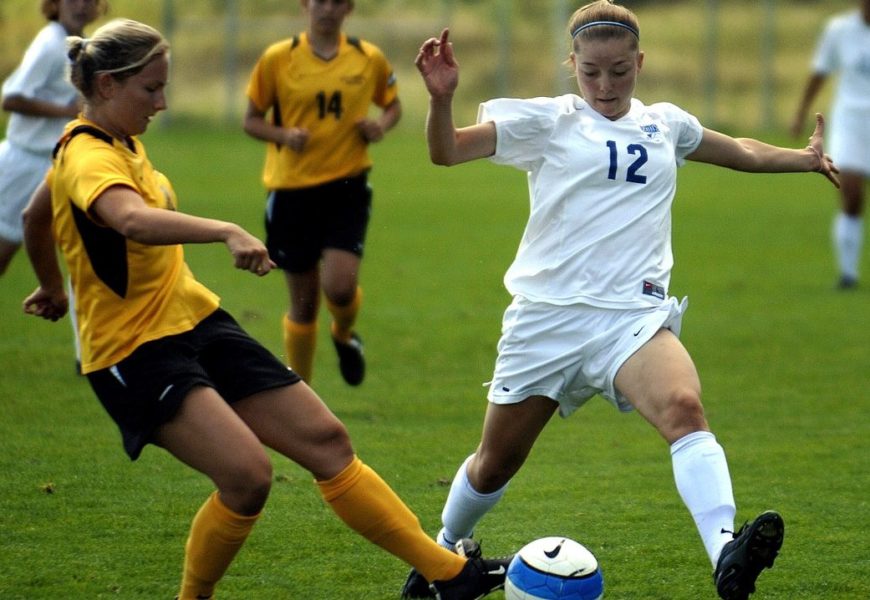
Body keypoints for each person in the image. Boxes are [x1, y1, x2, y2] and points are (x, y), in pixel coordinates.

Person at [21, 18, 509, 600]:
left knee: (327, 441)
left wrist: (52, 285)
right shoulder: (86, 154)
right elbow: (129, 220)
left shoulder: (117, 142)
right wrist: (224, 229)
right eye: (150, 89)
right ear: (106, 85)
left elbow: (35, 214)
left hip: (195, 319)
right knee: (247, 478)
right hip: (133, 349)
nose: (163, 101)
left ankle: (448, 576)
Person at [406, 2, 840, 599]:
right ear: (572, 66)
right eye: (591, 72)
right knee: (495, 462)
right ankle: (437, 558)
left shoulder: (666, 124)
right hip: (547, 319)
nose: (605, 85)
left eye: (619, 70)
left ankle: (725, 553)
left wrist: (806, 159)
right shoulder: (548, 120)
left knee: (684, 407)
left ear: (640, 62)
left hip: (631, 319)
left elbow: (738, 150)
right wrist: (440, 98)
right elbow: (446, 150)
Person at [242, 0, 402, 386]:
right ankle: (302, 395)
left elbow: (393, 106)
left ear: (348, 8)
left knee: (341, 286)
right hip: (291, 191)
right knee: (304, 303)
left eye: (336, 2)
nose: (327, 9)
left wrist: (380, 125)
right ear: (305, 6)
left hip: (346, 186)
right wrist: (283, 135)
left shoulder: (367, 57)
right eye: (320, 1)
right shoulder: (278, 58)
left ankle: (344, 334)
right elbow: (251, 120)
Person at [1, 0, 106, 276]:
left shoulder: (82, 45)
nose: (81, 6)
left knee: (86, 247)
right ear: (55, 4)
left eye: (90, 0)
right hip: (23, 165)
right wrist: (66, 111)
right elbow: (12, 98)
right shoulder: (50, 44)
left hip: (54, 164)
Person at [790, 0, 869, 290]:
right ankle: (848, 274)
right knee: (851, 193)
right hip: (851, 121)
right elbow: (819, 73)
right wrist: (800, 113)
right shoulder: (839, 29)